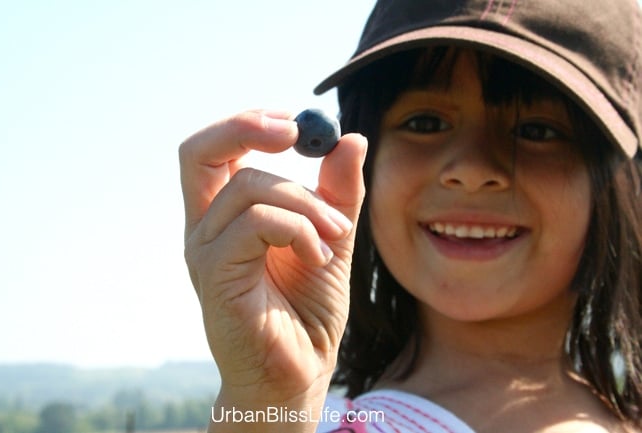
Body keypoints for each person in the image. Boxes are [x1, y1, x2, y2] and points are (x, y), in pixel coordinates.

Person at [178, 0, 642, 431]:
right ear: (364, 163)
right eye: (425, 123)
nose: (471, 170)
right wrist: (265, 401)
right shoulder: (304, 417)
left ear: (623, 184)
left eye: (537, 129)